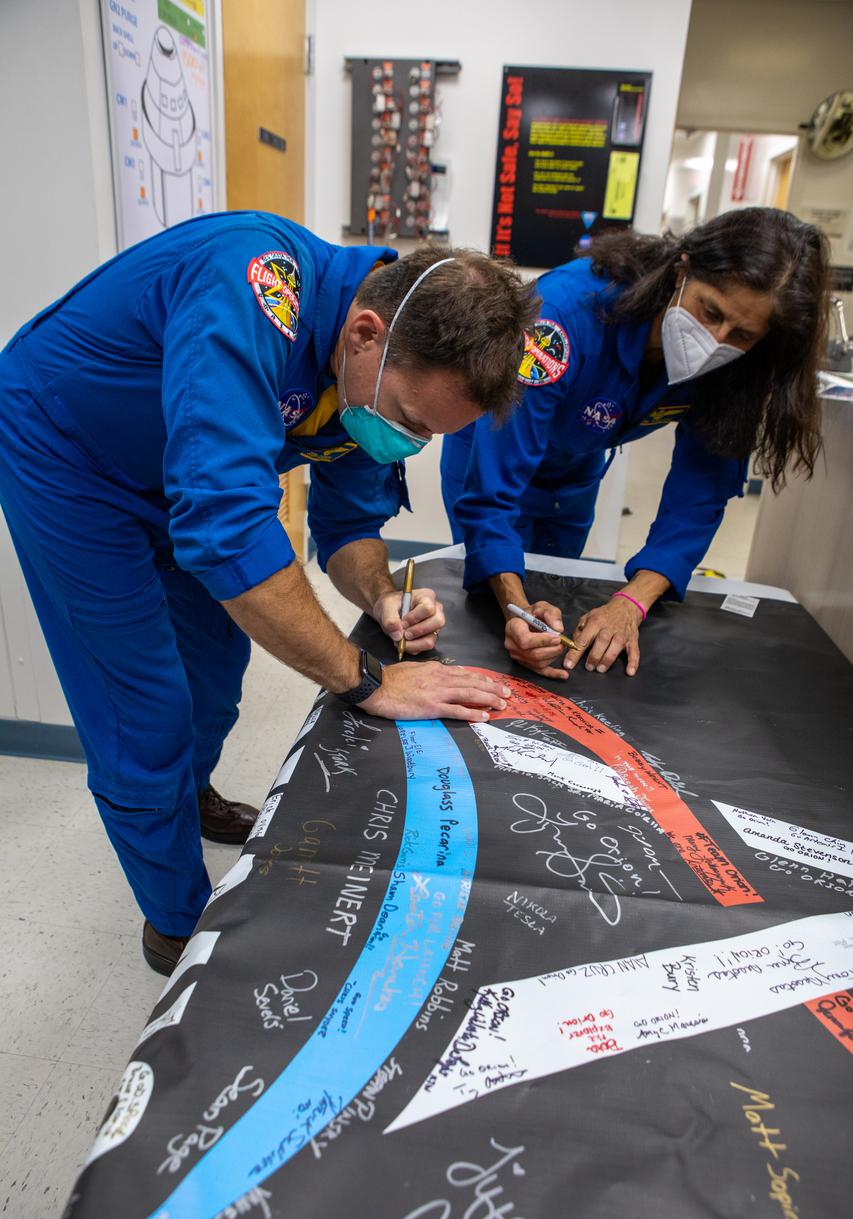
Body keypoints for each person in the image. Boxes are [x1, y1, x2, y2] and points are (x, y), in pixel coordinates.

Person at [0, 214, 538, 973]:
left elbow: (349, 524)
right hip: (69, 458)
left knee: (216, 679)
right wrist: (368, 680)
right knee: (143, 709)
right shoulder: (253, 283)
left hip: (173, 472)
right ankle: (175, 922)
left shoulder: (368, 377)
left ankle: (185, 798)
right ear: (362, 332)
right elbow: (221, 525)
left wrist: (382, 596)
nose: (408, 443)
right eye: (410, 423)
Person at [441, 207, 829, 682]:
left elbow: (700, 495)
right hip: (491, 451)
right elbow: (492, 491)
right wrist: (517, 611)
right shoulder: (564, 315)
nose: (716, 341)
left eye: (742, 335)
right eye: (710, 311)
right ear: (682, 270)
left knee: (559, 604)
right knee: (494, 620)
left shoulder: (738, 370)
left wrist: (631, 602)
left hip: (575, 469)